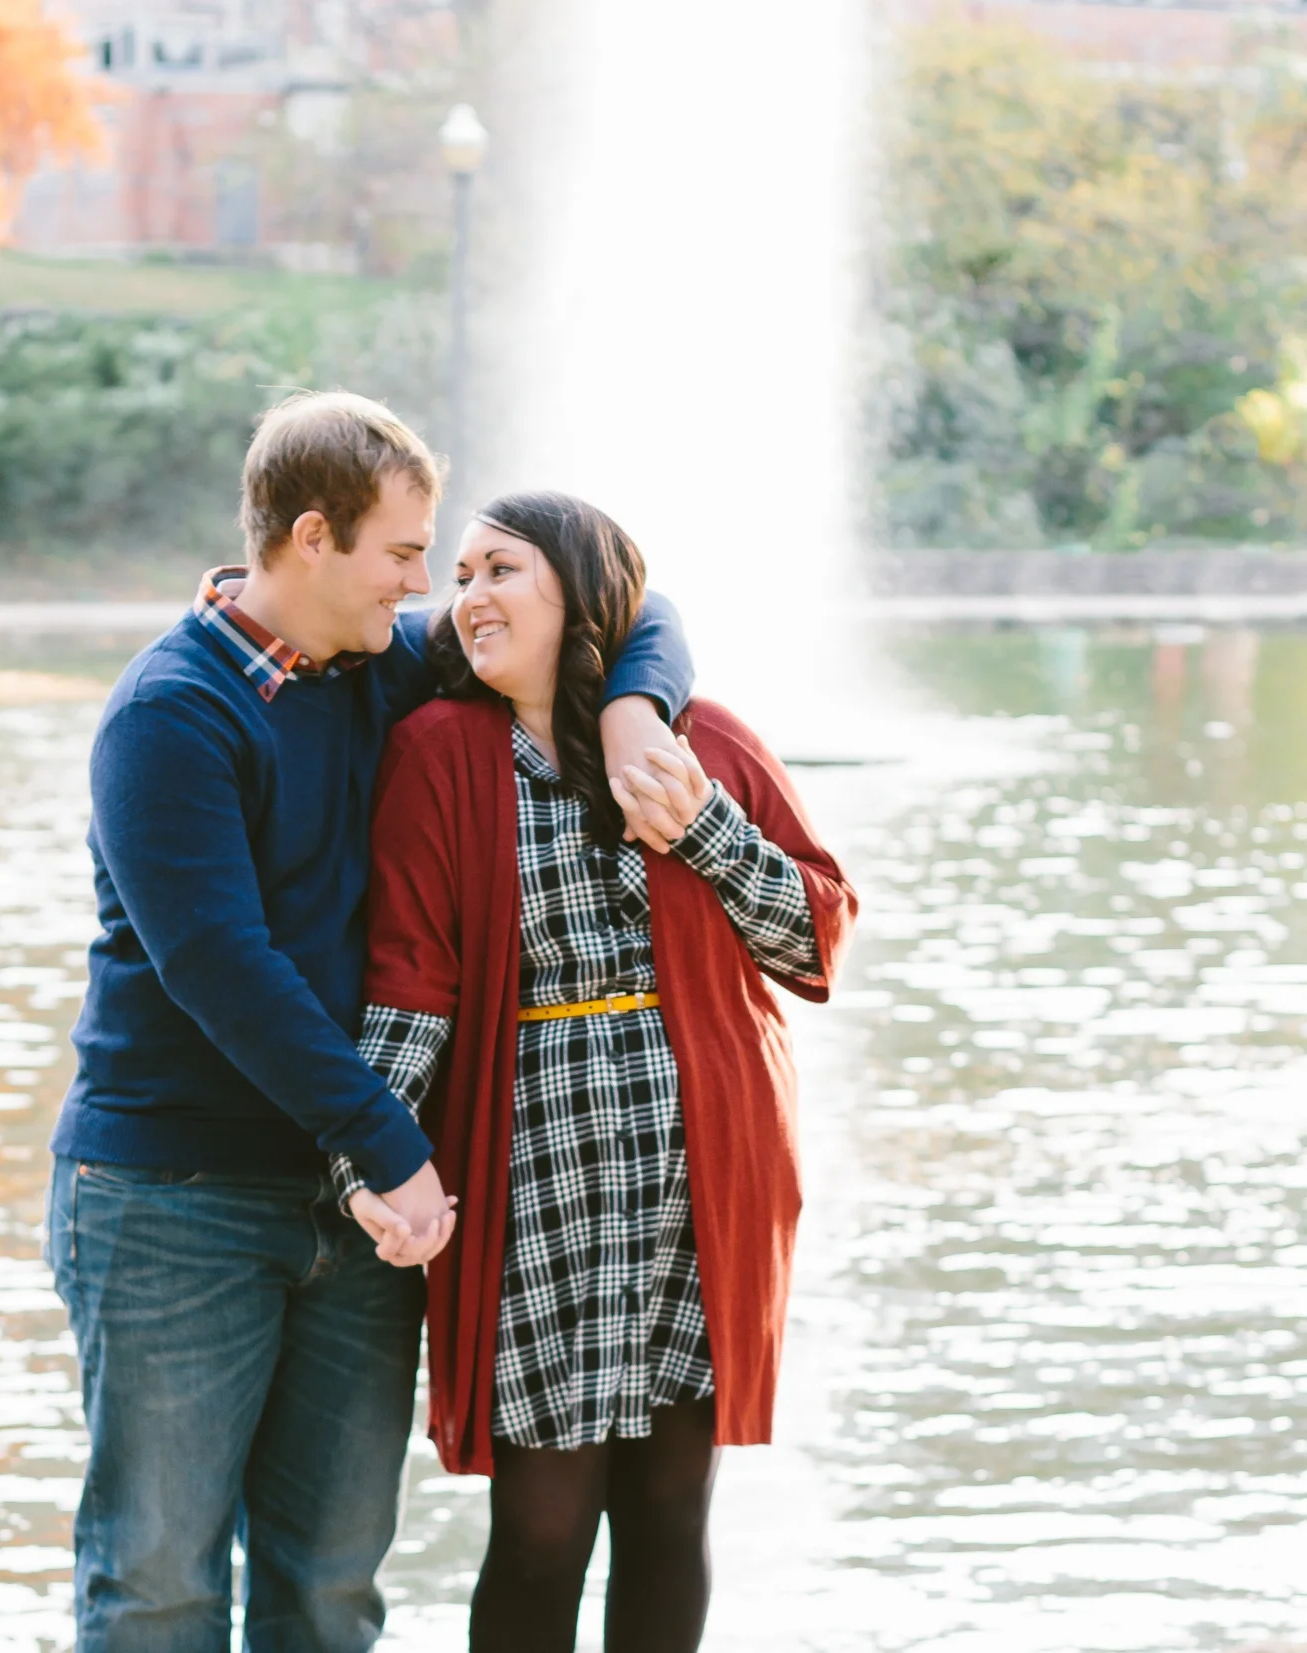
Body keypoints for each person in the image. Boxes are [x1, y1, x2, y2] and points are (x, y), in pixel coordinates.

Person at [42, 394, 700, 1653]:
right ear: (309, 538)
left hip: (361, 1204)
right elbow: (220, 966)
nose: (426, 588)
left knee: (332, 1583)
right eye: (404, 555)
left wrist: (633, 709)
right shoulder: (170, 714)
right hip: (177, 1196)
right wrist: (392, 1143)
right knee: (160, 1581)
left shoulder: (388, 664)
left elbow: (628, 604)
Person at [333, 491, 858, 1653]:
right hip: (538, 1178)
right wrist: (365, 1153)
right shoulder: (439, 753)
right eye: (459, 576)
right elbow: (410, 975)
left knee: (672, 1514)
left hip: (700, 1175)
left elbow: (815, 939)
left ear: (577, 591)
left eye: (499, 570)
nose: (468, 598)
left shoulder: (702, 739)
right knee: (541, 1525)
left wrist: (702, 825)